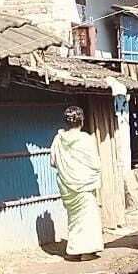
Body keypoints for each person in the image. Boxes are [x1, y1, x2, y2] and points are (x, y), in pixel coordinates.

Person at [50, 106, 104, 261]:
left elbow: (53, 162)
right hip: (84, 185)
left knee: (74, 219)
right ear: (82, 121)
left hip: (67, 186)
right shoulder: (86, 139)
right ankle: (86, 252)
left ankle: (74, 250)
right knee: (87, 218)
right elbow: (96, 164)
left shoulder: (58, 139)